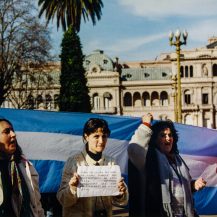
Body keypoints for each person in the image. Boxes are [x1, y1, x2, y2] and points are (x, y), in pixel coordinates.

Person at [128, 113, 206, 217]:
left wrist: (192, 186)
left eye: (170, 135)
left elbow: (178, 188)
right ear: (154, 139)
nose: (168, 138)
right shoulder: (149, 158)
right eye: (163, 135)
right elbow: (134, 150)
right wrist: (146, 125)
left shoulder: (178, 159)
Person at [57, 118, 128, 217]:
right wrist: (72, 188)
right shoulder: (74, 162)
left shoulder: (111, 162)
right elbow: (62, 199)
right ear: (86, 137)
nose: (101, 141)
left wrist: (120, 192)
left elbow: (121, 201)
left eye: (104, 136)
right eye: (96, 136)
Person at [0, 118, 45, 217]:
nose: (13, 134)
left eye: (12, 130)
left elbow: (36, 204)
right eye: (6, 131)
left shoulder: (25, 166)